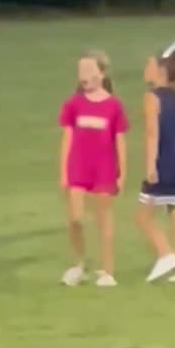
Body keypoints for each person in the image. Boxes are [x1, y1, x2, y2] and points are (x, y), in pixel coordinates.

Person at [59, 50, 128, 287]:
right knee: (75, 218)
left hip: (104, 169)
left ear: (102, 73)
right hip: (78, 168)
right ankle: (79, 265)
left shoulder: (114, 106)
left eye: (89, 71)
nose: (84, 76)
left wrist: (122, 173)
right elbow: (67, 139)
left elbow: (120, 142)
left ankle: (107, 271)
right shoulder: (73, 104)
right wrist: (63, 173)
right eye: (81, 72)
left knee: (104, 219)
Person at [136, 38, 175, 283]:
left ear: (160, 70)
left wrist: (151, 167)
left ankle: (167, 255)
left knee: (142, 216)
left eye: (148, 64)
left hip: (164, 163)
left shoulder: (152, 97)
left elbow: (153, 133)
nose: (145, 69)